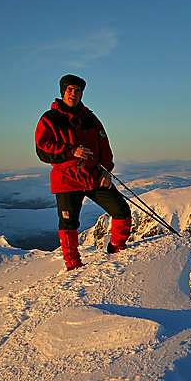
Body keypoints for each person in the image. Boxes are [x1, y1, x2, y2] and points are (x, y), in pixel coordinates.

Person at [35, 74, 132, 270]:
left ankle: (117, 250)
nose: (74, 94)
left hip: (94, 176)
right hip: (67, 178)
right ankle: (73, 265)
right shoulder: (50, 118)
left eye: (78, 90)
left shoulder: (90, 118)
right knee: (69, 223)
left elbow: (104, 146)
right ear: (63, 92)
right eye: (70, 90)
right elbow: (42, 148)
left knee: (121, 211)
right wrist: (71, 151)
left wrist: (106, 171)